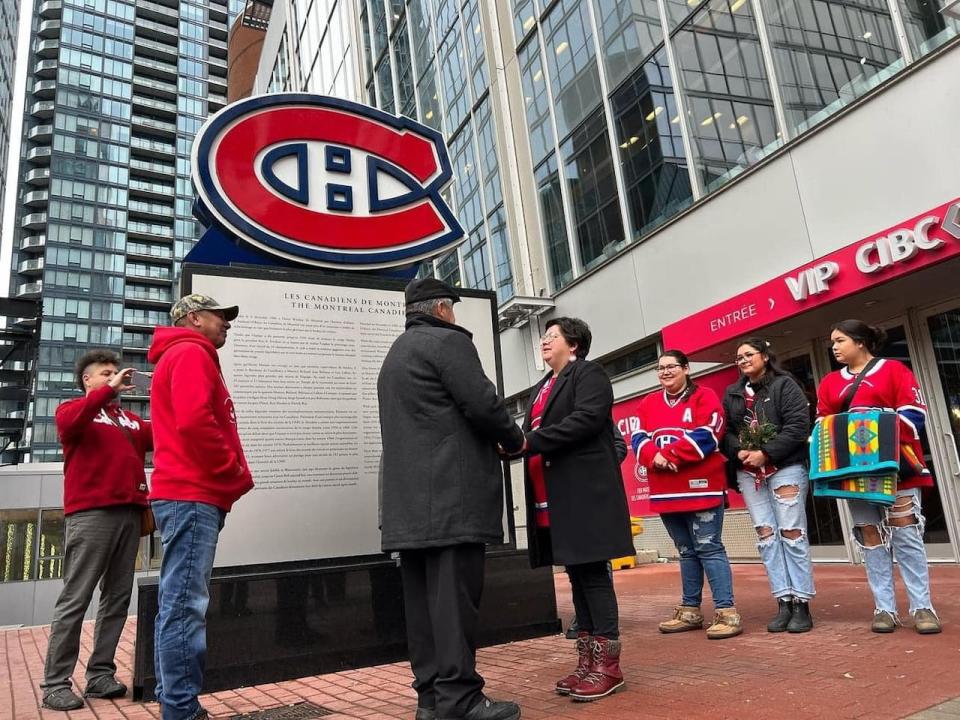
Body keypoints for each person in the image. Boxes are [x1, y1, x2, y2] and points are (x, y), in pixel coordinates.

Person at [378, 278, 525, 720]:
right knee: (455, 604)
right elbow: (483, 405)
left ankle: (431, 699)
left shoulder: (396, 355)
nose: (455, 318)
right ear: (442, 309)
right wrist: (514, 438)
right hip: (451, 500)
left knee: (423, 606)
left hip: (410, 508)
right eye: (454, 310)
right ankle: (461, 700)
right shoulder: (447, 343)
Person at [148, 294, 254, 720]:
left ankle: (175, 700)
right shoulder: (192, 352)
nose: (226, 323)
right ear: (194, 318)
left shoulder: (183, 355)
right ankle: (181, 709)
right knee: (184, 606)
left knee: (176, 602)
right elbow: (195, 421)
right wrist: (230, 471)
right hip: (192, 495)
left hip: (187, 495)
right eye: (220, 316)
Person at [521, 318, 633, 702]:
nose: (544, 341)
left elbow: (585, 420)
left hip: (582, 495)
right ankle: (587, 661)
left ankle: (608, 666)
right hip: (551, 497)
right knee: (576, 574)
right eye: (544, 337)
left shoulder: (589, 374)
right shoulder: (541, 387)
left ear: (575, 344)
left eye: (552, 336)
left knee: (593, 574)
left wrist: (528, 442)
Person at [40, 350, 151, 711]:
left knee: (117, 598)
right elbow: (70, 425)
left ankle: (100, 674)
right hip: (91, 515)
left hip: (130, 515)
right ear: (88, 380)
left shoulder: (130, 420)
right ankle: (56, 683)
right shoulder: (74, 411)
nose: (115, 377)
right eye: (106, 372)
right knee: (76, 598)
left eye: (117, 372)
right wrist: (104, 393)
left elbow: (164, 434)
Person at [816, 319, 940, 634]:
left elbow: (914, 414)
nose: (835, 347)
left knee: (907, 534)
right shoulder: (830, 382)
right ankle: (884, 608)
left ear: (861, 342)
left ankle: (922, 607)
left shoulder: (895, 371)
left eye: (840, 340)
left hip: (896, 467)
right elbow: (823, 422)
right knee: (870, 537)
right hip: (854, 474)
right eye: (833, 341)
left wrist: (870, 427)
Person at [632, 350, 741, 639]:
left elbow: (710, 432)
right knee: (685, 551)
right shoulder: (649, 402)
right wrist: (654, 457)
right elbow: (638, 437)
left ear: (687, 369)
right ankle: (690, 610)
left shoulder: (704, 396)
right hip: (666, 492)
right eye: (661, 368)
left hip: (702, 486)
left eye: (671, 367)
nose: (666, 372)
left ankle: (727, 612)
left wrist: (669, 456)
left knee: (709, 547)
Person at [721, 338, 814, 633]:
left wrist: (767, 453)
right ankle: (783, 600)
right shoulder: (733, 393)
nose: (743, 360)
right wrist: (739, 452)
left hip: (785, 467)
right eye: (739, 357)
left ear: (764, 355)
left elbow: (799, 426)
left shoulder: (785, 385)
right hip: (749, 473)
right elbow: (725, 431)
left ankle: (802, 603)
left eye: (749, 354)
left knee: (791, 532)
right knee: (766, 536)